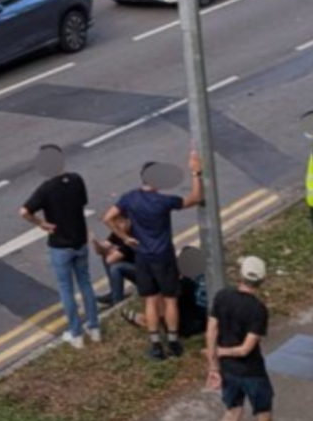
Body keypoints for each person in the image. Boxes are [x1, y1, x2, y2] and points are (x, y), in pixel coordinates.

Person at [107, 151, 205, 361]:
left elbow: (108, 218)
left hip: (143, 257)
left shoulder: (129, 198)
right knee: (170, 300)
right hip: (164, 256)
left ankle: (155, 345)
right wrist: (196, 172)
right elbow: (196, 198)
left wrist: (124, 237)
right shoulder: (163, 201)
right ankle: (173, 342)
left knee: (150, 301)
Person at [208, 256, 287, 421]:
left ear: (240, 275)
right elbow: (245, 349)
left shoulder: (222, 297)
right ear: (261, 281)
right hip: (252, 372)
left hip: (227, 370)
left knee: (232, 411)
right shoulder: (258, 310)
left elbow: (211, 331)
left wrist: (214, 364)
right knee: (263, 416)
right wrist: (224, 352)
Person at [21, 145, 98, 347]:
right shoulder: (76, 180)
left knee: (66, 289)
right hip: (80, 241)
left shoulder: (46, 189)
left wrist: (41, 224)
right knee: (86, 284)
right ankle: (95, 327)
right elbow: (82, 203)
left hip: (60, 245)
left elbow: (24, 211)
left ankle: (76, 333)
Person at [95, 210, 138, 307]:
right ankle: (114, 292)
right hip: (132, 266)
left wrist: (111, 251)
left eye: (120, 222)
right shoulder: (118, 233)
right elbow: (103, 248)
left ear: (129, 221)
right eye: (115, 223)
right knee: (106, 256)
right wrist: (96, 245)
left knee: (116, 267)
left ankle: (118, 303)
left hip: (143, 274)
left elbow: (110, 260)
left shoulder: (132, 235)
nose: (118, 226)